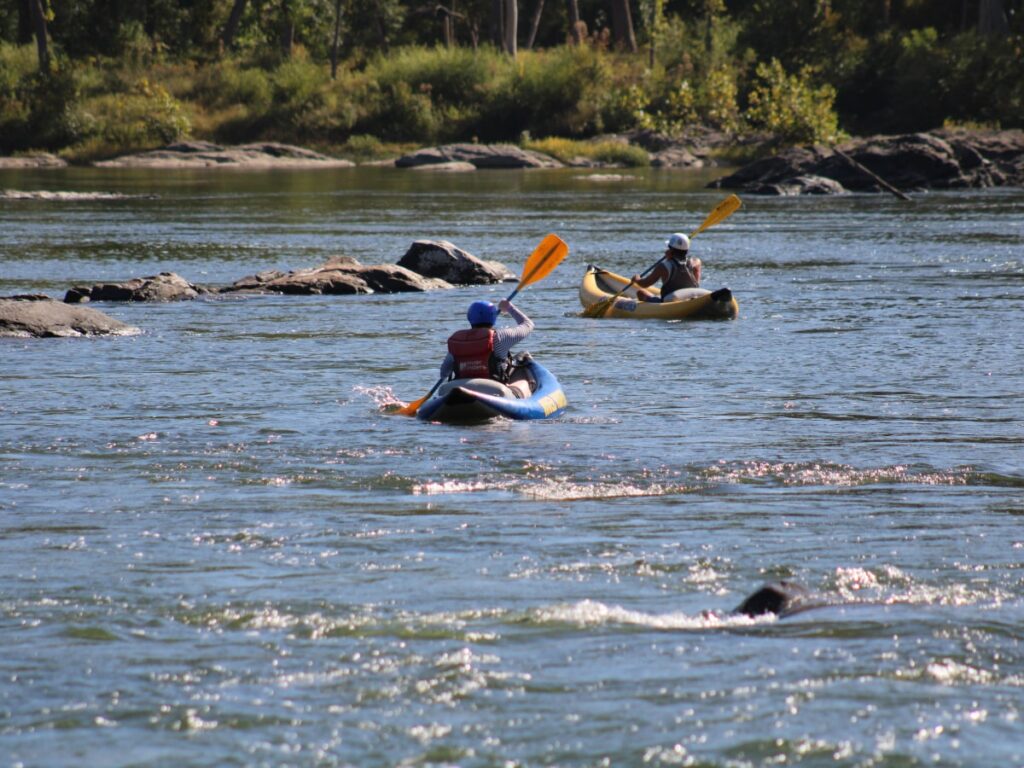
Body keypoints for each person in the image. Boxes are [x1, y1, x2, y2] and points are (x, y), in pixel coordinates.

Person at [439, 298, 534, 388]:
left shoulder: (458, 341)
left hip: (461, 388)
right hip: (493, 388)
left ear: (469, 317)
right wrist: (509, 307)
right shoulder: (501, 336)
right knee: (523, 359)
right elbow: (528, 325)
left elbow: (444, 373)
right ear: (493, 317)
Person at [631, 232, 702, 302]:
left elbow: (645, 284)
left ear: (670, 250)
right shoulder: (696, 262)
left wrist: (637, 279)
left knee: (641, 293)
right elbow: (688, 263)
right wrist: (671, 257)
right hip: (692, 296)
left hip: (671, 301)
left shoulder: (663, 266)